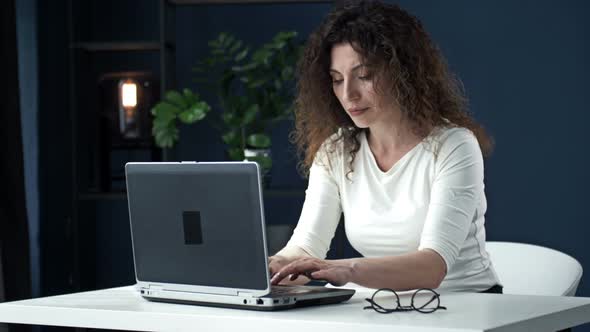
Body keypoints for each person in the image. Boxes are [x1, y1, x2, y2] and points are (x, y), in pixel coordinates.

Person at [269, 0, 502, 293]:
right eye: (337, 80)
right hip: (385, 306)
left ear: (404, 72)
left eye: (364, 76)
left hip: (467, 305)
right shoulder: (336, 151)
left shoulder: (454, 145)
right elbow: (305, 247)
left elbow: (432, 267)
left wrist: (344, 269)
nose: (349, 94)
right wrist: (272, 267)